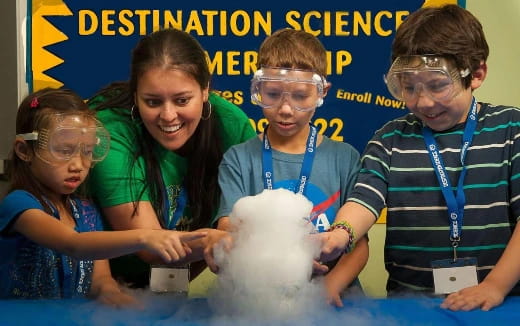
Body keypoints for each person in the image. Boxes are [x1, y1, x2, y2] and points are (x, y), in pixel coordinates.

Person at [319, 4, 520, 311]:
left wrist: (495, 286)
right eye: (409, 87)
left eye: (438, 85)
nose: (423, 101)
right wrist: (340, 235)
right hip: (409, 307)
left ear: (476, 73)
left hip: (498, 305)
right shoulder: (390, 139)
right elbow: (363, 201)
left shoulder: (511, 130)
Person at [205, 28, 369, 307]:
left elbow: (359, 245)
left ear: (322, 92)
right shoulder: (238, 159)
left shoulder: (345, 157)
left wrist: (329, 286)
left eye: (300, 96)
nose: (285, 109)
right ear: (257, 90)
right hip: (260, 302)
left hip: (337, 301)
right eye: (272, 94)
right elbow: (227, 229)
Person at [0, 87, 206, 303]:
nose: (78, 165)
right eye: (63, 151)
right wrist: (146, 236)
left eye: (88, 151)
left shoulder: (87, 211)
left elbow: (100, 280)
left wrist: (114, 296)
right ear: (24, 151)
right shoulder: (19, 205)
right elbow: (74, 244)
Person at [86, 28, 256, 288]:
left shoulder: (232, 126)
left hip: (178, 279)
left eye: (182, 100)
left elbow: (237, 223)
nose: (168, 115)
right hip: (102, 286)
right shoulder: (107, 133)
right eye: (152, 102)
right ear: (135, 96)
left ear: (205, 90)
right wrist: (212, 241)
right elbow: (151, 246)